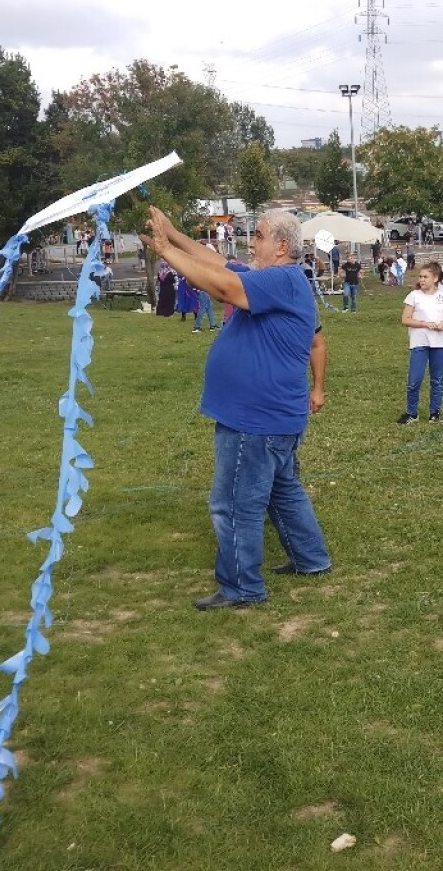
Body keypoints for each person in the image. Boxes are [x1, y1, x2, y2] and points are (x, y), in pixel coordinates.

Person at [139, 207, 331, 610]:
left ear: (281, 246)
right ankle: (311, 559)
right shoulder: (275, 278)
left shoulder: (281, 279)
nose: (251, 242)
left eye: (258, 236)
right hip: (272, 417)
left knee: (233, 504)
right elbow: (218, 264)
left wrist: (165, 251)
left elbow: (223, 287)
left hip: (256, 420)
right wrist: (172, 236)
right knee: (283, 492)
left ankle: (242, 587)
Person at [399, 261, 443, 425]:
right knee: (414, 380)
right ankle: (411, 413)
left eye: (426, 276)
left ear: (435, 278)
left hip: (439, 343)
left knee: (437, 380)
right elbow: (405, 319)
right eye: (420, 276)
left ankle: (435, 413)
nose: (422, 279)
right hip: (419, 343)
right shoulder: (414, 296)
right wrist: (425, 324)